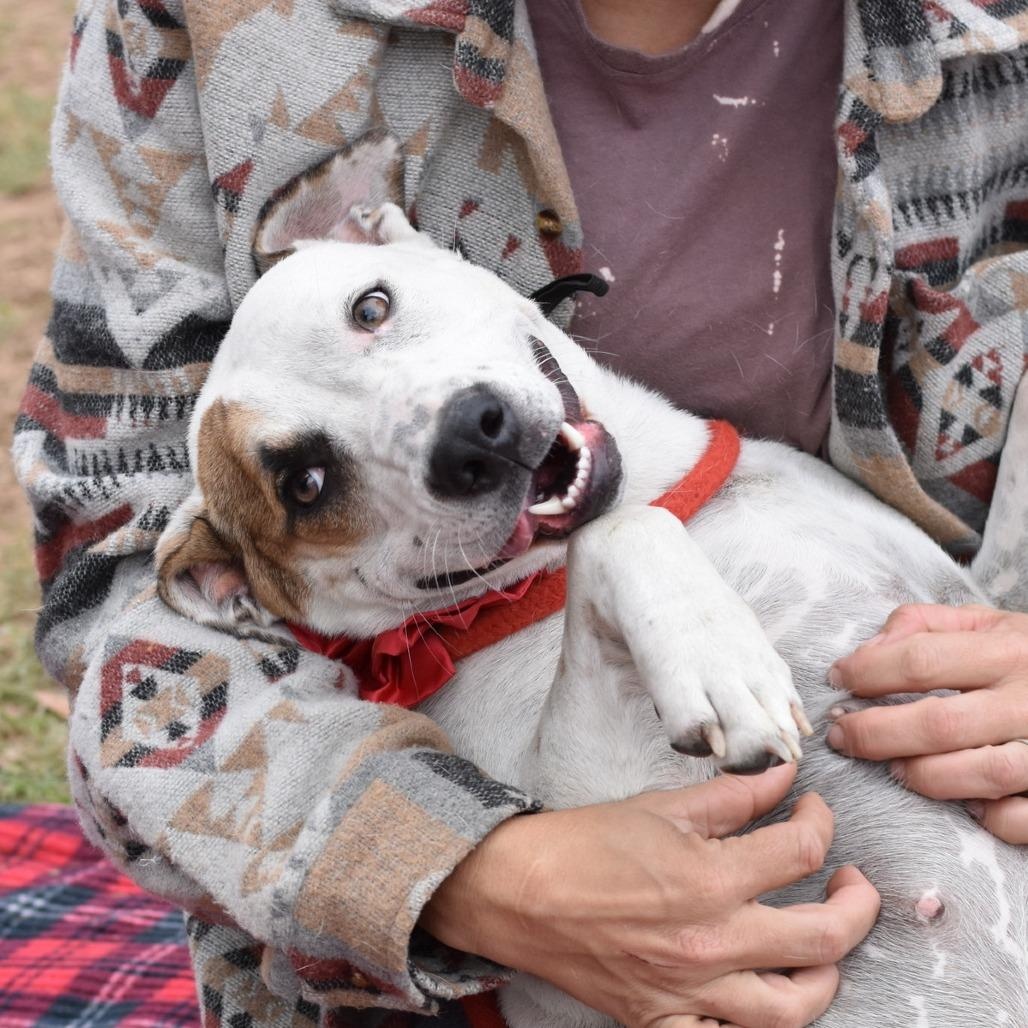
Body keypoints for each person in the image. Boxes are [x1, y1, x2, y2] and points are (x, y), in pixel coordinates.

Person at [12, 0, 1028, 1025]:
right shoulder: (207, 25)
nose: (460, 431)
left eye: (374, 313)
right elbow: (116, 622)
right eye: (311, 484)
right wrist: (458, 871)